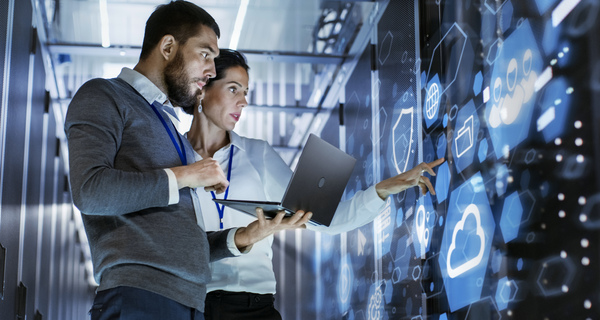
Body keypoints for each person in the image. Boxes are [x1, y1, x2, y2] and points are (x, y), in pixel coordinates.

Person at [64, 2, 310, 319]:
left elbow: (182, 241)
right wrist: (185, 176)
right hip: (139, 298)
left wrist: (244, 237)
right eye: (205, 54)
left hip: (188, 304)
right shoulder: (105, 95)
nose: (210, 70)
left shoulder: (167, 126)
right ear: (168, 46)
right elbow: (90, 191)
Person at [184, 49, 445, 320]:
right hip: (187, 304)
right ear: (203, 88)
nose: (243, 102)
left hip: (252, 307)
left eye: (246, 92)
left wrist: (383, 189)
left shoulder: (256, 154)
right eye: (233, 89)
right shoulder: (172, 158)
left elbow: (325, 220)